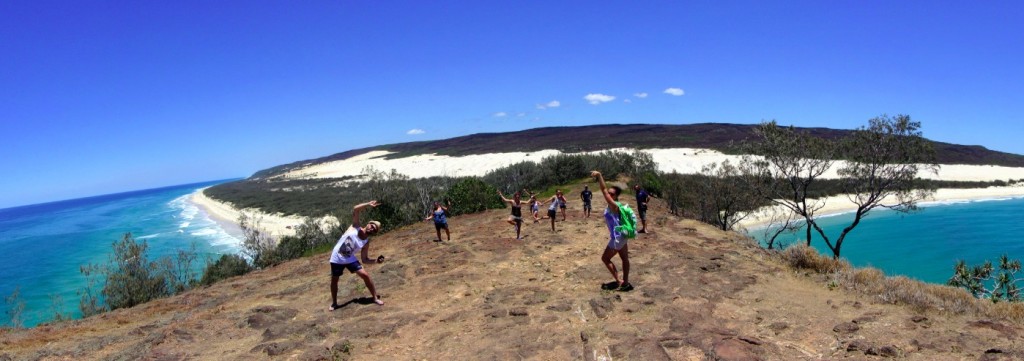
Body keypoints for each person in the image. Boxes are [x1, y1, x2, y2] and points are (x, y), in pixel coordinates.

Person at [330, 200, 384, 310]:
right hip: (337, 258)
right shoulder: (355, 226)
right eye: (372, 225)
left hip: (350, 258)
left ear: (374, 232)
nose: (372, 228)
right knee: (335, 280)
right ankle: (334, 303)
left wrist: (376, 261)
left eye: (374, 229)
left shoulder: (366, 242)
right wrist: (368, 204)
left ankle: (374, 297)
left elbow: (365, 259)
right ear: (368, 224)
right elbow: (356, 209)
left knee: (365, 275)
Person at [592, 171, 633, 291]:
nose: (609, 195)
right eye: (609, 193)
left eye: (612, 194)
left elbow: (603, 189)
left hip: (618, 237)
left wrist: (599, 176)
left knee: (605, 258)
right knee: (624, 258)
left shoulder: (613, 205)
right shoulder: (616, 205)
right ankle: (625, 282)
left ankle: (619, 280)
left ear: (616, 196)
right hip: (622, 235)